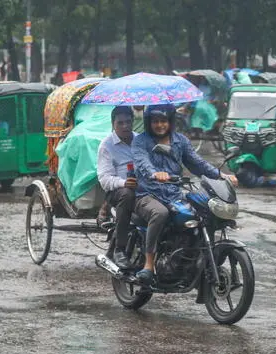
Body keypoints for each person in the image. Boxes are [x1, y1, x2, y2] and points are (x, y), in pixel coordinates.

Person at [131, 104, 238, 285]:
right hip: (147, 194)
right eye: (155, 121)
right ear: (149, 122)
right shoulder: (140, 141)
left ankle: (190, 258)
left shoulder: (180, 141)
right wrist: (154, 173)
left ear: (171, 121)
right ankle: (149, 265)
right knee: (160, 213)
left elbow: (197, 164)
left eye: (163, 121)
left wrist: (221, 175)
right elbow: (142, 162)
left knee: (201, 212)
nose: (159, 125)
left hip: (173, 193)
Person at [97, 106, 138, 268]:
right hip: (117, 192)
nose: (125, 126)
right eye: (120, 123)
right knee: (127, 195)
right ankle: (119, 249)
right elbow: (104, 179)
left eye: (128, 122)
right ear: (113, 124)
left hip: (142, 187)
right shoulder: (106, 145)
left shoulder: (140, 140)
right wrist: (123, 183)